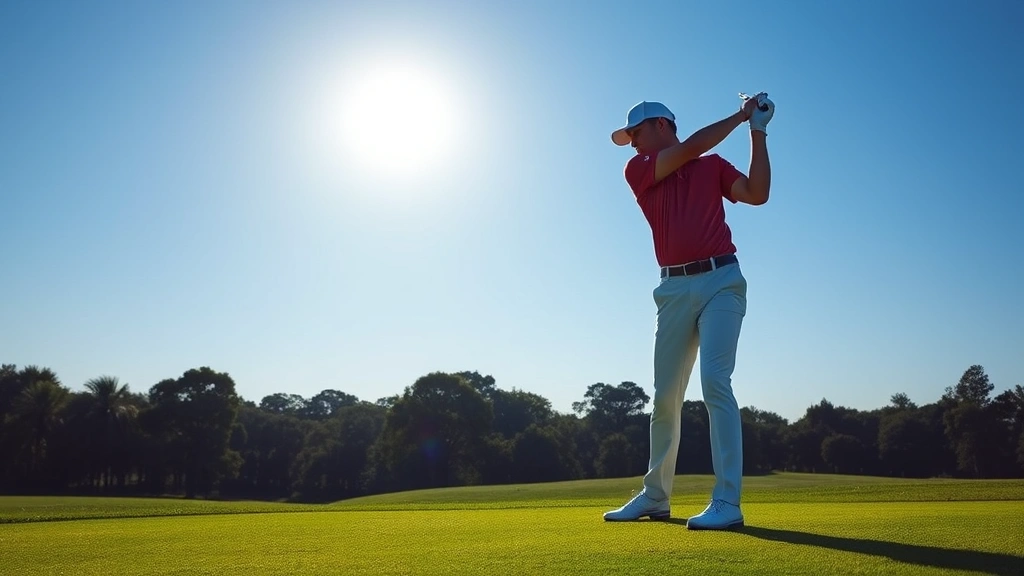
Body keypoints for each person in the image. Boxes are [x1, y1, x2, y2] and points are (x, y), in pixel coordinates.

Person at [602, 93, 775, 530]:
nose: (634, 144)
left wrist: (757, 130)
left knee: (715, 381)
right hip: (673, 289)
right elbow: (692, 147)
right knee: (664, 397)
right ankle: (655, 497)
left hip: (722, 282)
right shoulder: (638, 169)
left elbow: (757, 194)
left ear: (661, 126)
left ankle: (728, 502)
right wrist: (740, 114)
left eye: (637, 135)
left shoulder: (712, 167)